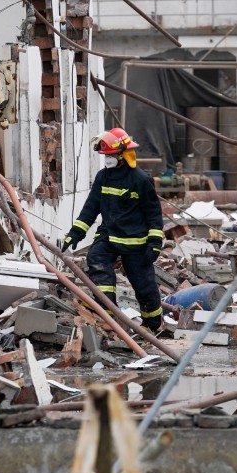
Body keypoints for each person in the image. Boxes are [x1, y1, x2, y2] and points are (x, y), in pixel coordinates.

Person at [62, 127, 164, 331]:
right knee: (96, 260)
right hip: (109, 235)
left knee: (144, 286)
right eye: (105, 155)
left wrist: (154, 244)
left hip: (135, 242)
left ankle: (152, 325)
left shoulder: (141, 180)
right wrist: (75, 233)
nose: (107, 159)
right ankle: (107, 310)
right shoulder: (103, 177)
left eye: (111, 155)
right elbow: (91, 208)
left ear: (123, 154)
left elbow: (154, 214)